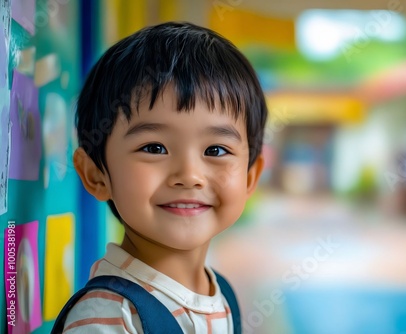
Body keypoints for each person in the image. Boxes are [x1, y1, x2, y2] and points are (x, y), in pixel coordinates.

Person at [55, 21, 267, 333]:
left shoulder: (221, 295)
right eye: (154, 147)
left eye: (216, 150)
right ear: (96, 175)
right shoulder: (109, 316)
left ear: (250, 177)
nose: (190, 176)